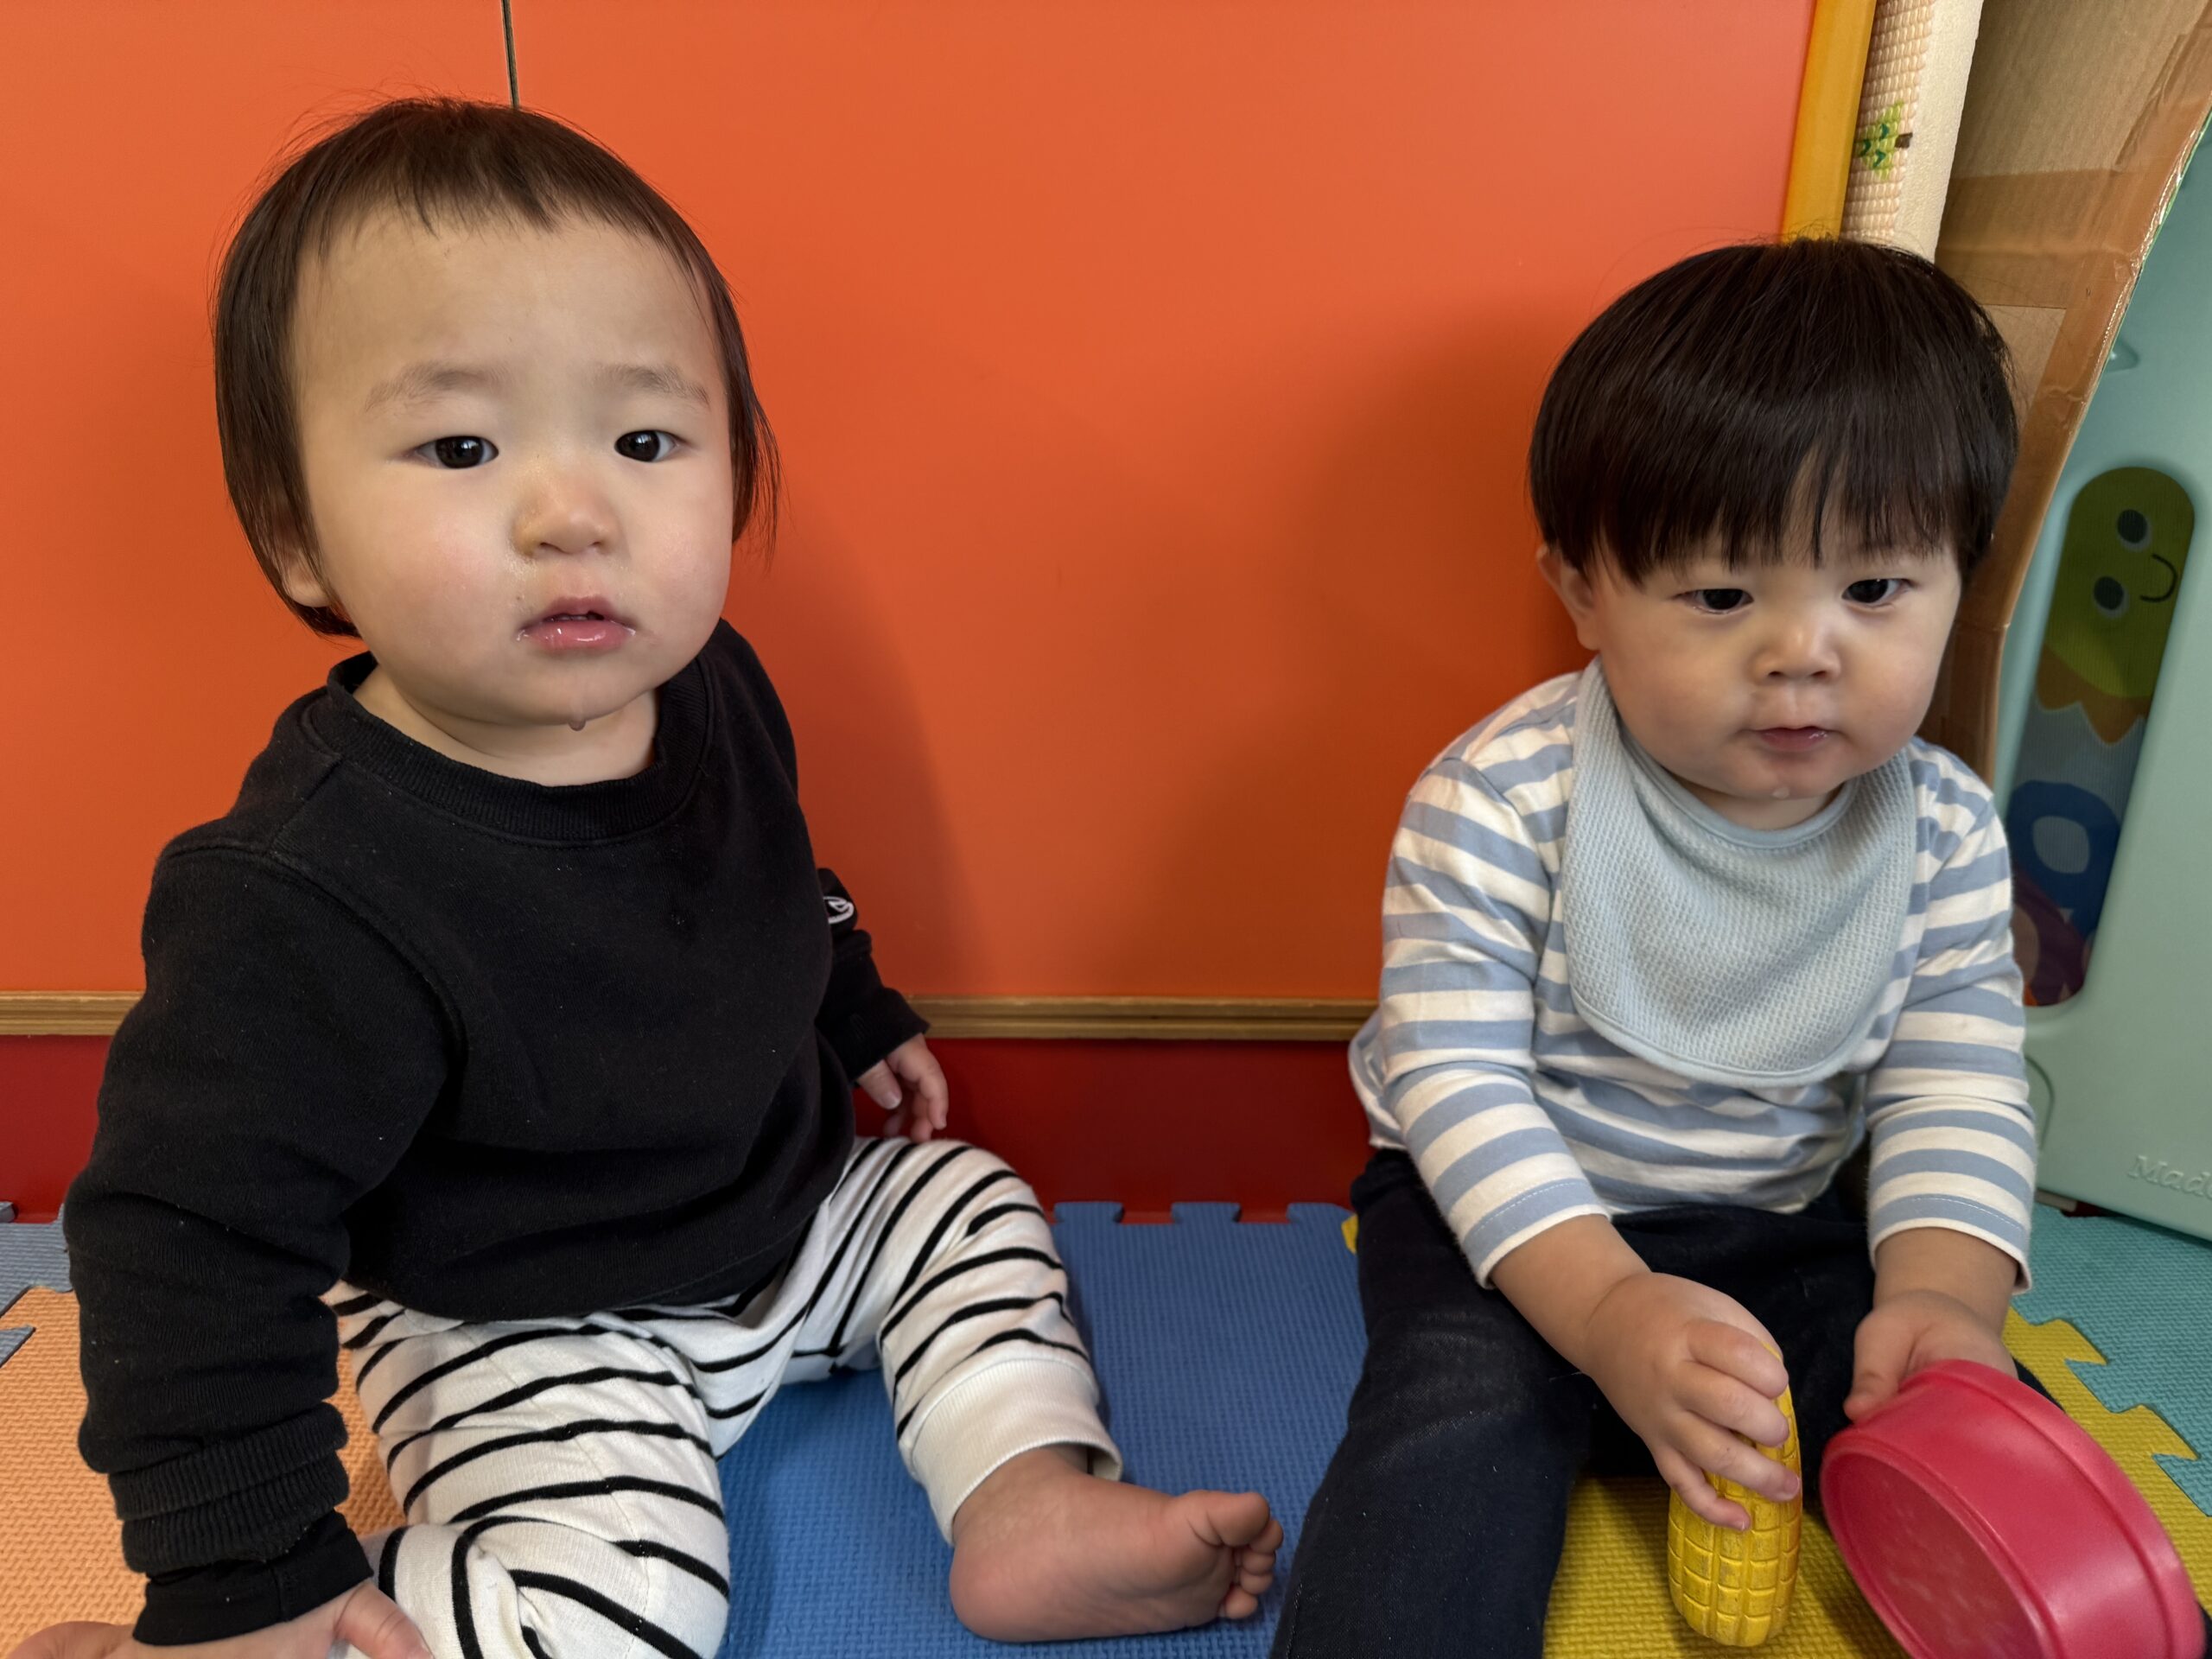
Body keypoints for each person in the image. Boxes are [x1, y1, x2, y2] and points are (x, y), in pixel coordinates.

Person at [26, 98, 1278, 1659]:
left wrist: (852, 1003)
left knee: (967, 1204)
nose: (576, 515)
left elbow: (774, 872)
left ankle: (1027, 1500)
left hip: (788, 1216)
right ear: (298, 536)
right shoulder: (299, 894)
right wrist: (244, 1582)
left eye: (643, 441)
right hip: (519, 1322)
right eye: (463, 447)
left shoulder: (707, 682)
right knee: (629, 1619)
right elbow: (182, 1246)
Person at [1270, 237, 2204, 1655]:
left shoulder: (1944, 831)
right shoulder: (1503, 800)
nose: (1802, 652)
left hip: (1777, 1225)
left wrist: (1940, 1299)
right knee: (1453, 1422)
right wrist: (1606, 1311)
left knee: (1969, 1410)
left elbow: (1953, 1085)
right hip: (1510, 1226)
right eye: (1721, 598)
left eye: (1875, 591)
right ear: (1585, 592)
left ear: (1959, 578)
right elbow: (1457, 1088)